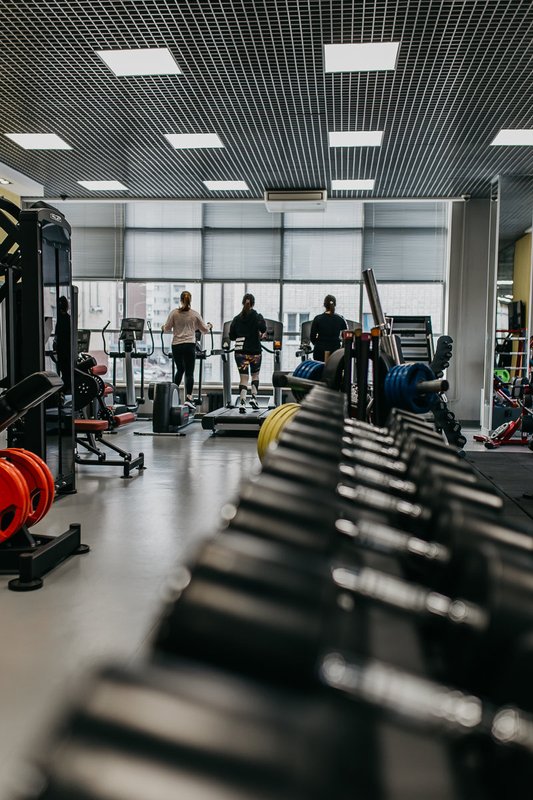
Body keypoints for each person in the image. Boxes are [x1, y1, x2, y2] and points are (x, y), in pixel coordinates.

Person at [162, 291, 212, 410]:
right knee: (189, 373)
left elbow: (167, 328)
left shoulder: (174, 313)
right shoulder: (194, 314)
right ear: (190, 300)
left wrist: (162, 327)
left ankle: (172, 396)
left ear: (180, 300)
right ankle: (188, 399)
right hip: (189, 345)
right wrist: (210, 326)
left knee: (180, 370)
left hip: (177, 345)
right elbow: (205, 330)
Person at [229, 293, 267, 413]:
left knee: (243, 378)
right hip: (255, 352)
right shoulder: (257, 316)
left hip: (240, 353)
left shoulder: (236, 318)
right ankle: (254, 398)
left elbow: (231, 336)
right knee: (255, 376)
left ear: (243, 303)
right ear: (253, 303)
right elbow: (263, 328)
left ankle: (242, 402)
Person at [309, 294, 348, 362]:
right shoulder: (340, 319)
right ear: (335, 304)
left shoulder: (318, 319)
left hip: (319, 350)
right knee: (334, 368)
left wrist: (318, 344)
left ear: (324, 305)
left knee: (320, 368)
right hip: (335, 351)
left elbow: (312, 337)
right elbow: (345, 337)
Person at [54, 295, 72, 393]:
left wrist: (55, 344)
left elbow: (57, 334)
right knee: (66, 371)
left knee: (63, 369)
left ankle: (64, 388)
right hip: (67, 349)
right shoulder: (69, 318)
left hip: (62, 349)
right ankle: (66, 387)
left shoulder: (60, 319)